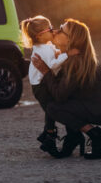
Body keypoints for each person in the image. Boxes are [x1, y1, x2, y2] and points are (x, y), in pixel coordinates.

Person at [32, 18, 101, 159]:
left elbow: (59, 95)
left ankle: (97, 136)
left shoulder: (76, 62)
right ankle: (74, 137)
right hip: (99, 103)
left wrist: (46, 72)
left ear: (71, 40)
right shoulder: (70, 58)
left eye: (61, 30)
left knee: (55, 107)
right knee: (60, 102)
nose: (55, 31)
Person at [20, 15, 79, 156]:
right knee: (52, 110)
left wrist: (60, 52)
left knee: (51, 111)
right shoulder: (43, 49)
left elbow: (53, 55)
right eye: (50, 29)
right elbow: (52, 64)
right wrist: (68, 54)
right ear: (40, 36)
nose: (53, 31)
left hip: (40, 84)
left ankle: (50, 136)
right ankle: (50, 138)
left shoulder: (44, 46)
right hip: (41, 87)